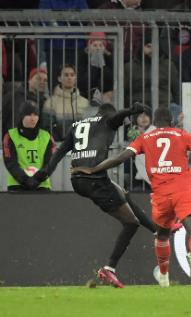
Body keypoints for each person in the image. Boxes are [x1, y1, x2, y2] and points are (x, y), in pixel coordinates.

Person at [71, 107, 191, 287]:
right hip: (184, 190)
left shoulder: (145, 138)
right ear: (171, 122)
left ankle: (164, 275)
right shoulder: (182, 135)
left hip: (161, 195)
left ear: (155, 121)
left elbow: (120, 158)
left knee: (162, 235)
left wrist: (94, 168)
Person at [35, 103, 161, 288]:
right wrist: (131, 110)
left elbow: (59, 152)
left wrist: (46, 172)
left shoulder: (77, 125)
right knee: (131, 222)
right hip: (94, 179)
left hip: (78, 180)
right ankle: (109, 269)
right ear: (108, 114)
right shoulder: (107, 120)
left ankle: (158, 231)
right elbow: (116, 118)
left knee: (123, 194)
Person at [2, 102, 56, 191]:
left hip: (41, 186)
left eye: (35, 115)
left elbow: (50, 163)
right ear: (22, 116)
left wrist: (37, 179)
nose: (33, 118)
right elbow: (11, 163)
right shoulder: (10, 136)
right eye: (29, 114)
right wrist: (26, 180)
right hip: (17, 185)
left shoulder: (47, 136)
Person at [43, 64, 90, 141]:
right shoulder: (50, 103)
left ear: (75, 78)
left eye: (72, 75)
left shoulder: (85, 102)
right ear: (59, 78)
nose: (69, 78)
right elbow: (47, 128)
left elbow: (90, 126)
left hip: (81, 147)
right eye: (66, 75)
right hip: (59, 147)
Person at [2, 67, 49, 136]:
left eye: (45, 80)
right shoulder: (13, 96)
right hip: (12, 141)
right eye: (38, 79)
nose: (42, 82)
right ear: (29, 80)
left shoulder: (45, 102)